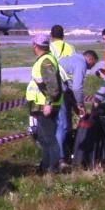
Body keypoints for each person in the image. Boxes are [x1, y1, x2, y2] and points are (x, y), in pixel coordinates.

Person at [26, 34, 63, 174]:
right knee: (43, 138)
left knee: (49, 139)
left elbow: (53, 87)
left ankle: (52, 169)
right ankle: (45, 167)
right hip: (41, 105)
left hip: (46, 106)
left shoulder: (46, 61)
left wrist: (48, 103)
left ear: (35, 46)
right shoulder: (44, 59)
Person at [56, 50, 97, 165]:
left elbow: (69, 85)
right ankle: (60, 158)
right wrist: (80, 104)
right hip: (59, 91)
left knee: (61, 125)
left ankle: (62, 153)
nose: (90, 69)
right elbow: (77, 87)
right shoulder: (81, 63)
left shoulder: (69, 59)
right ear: (90, 59)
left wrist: (75, 106)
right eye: (92, 65)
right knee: (62, 126)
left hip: (56, 90)